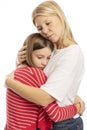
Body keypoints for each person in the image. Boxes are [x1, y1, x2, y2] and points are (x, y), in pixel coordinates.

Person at [5, 1, 85, 130]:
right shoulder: (51, 48)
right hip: (48, 119)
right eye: (40, 28)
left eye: (48, 23)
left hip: (63, 123)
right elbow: (44, 80)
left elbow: (45, 98)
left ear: (60, 16)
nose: (45, 31)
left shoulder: (71, 53)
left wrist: (10, 82)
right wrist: (22, 63)